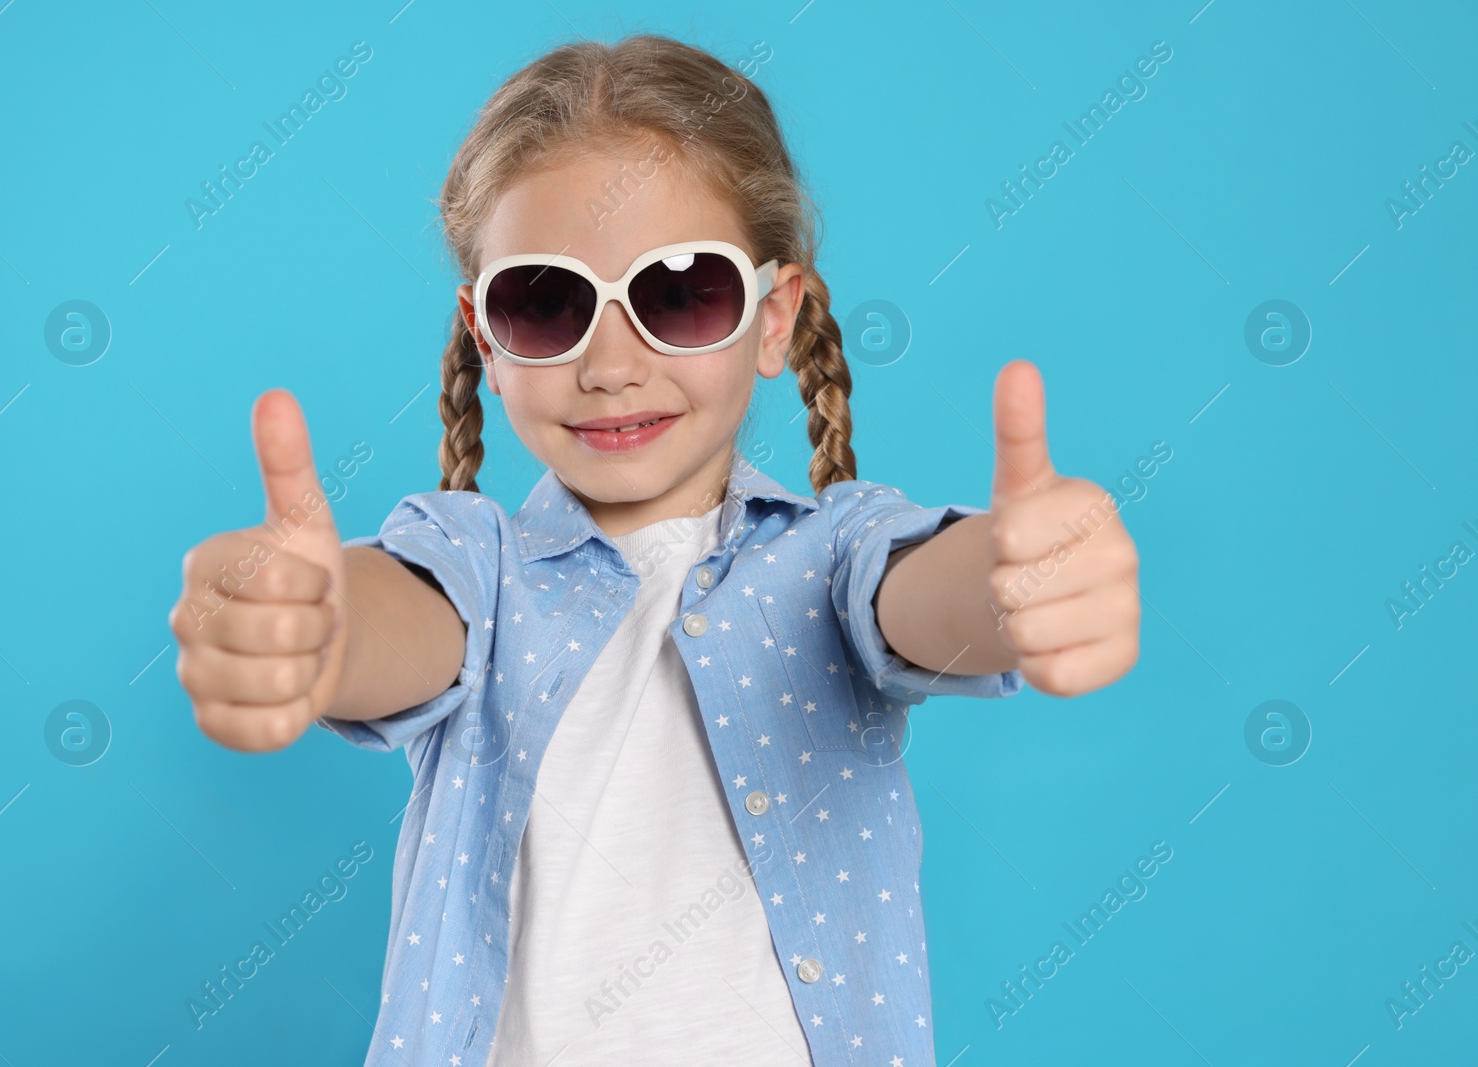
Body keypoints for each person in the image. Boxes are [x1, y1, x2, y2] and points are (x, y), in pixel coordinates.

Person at [168, 32, 1140, 1066]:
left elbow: (920, 595)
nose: (612, 364)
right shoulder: (476, 569)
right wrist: (310, 628)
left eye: (681, 292)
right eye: (545, 302)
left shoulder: (832, 555)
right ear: (485, 339)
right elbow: (398, 618)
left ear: (774, 319)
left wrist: (1012, 583)